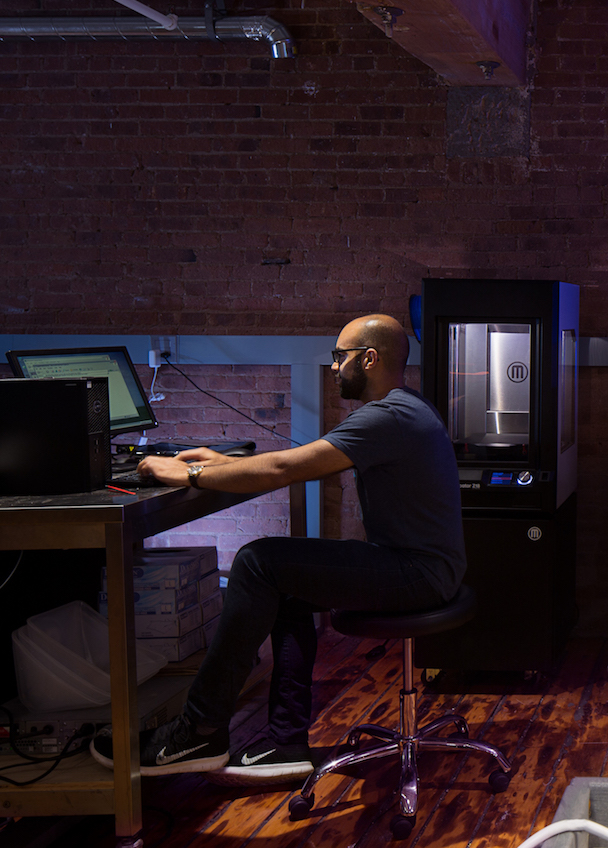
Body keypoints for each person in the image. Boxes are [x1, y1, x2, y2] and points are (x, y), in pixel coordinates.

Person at [91, 314, 465, 783]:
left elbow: (283, 469)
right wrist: (223, 462)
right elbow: (297, 459)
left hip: (417, 574)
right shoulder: (402, 408)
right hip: (421, 567)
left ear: (369, 359)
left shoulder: (387, 417)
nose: (332, 367)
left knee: (257, 562)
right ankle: (286, 743)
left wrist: (185, 472)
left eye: (339, 356)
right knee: (282, 581)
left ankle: (198, 731)